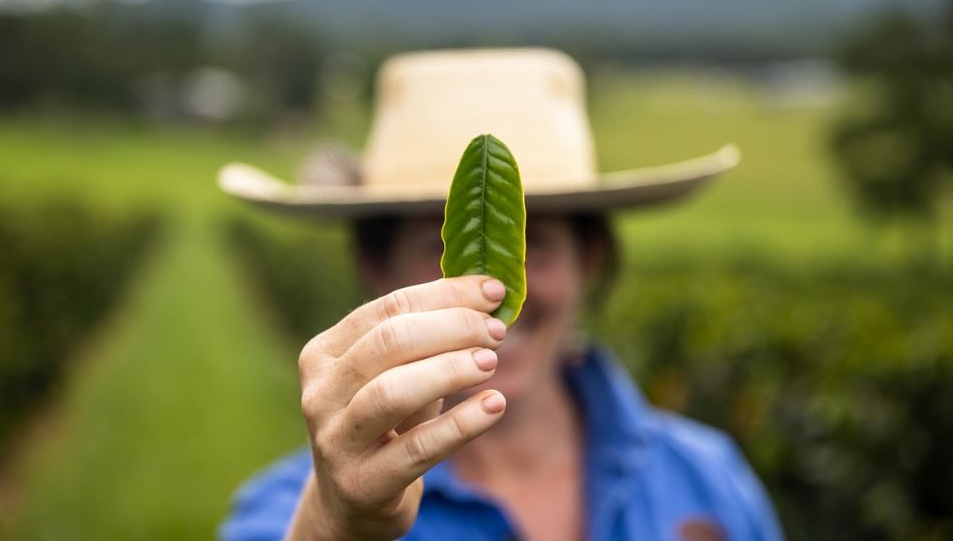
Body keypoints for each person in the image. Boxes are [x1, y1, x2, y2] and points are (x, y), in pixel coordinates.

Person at [217, 48, 782, 541]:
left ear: (591, 259)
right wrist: (336, 526)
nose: (492, 296)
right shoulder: (288, 511)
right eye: (435, 242)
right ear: (372, 263)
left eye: (536, 240)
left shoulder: (706, 480)